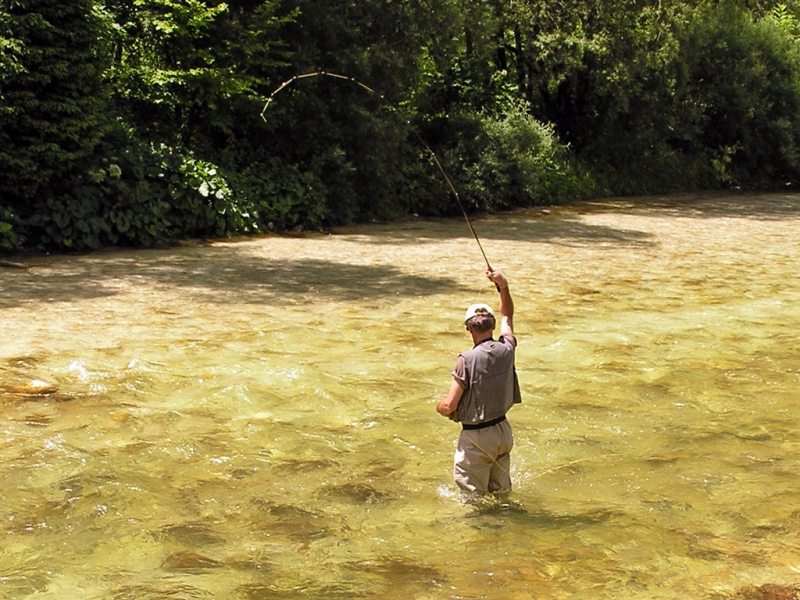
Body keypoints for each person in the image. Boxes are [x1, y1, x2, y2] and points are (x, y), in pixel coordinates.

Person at [436, 268, 521, 495]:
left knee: (472, 501)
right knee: (501, 495)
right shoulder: (507, 348)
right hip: (503, 431)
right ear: (492, 325)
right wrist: (503, 286)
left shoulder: (466, 359)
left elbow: (450, 406)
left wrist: (439, 407)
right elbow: (508, 316)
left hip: (477, 437)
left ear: (469, 328)